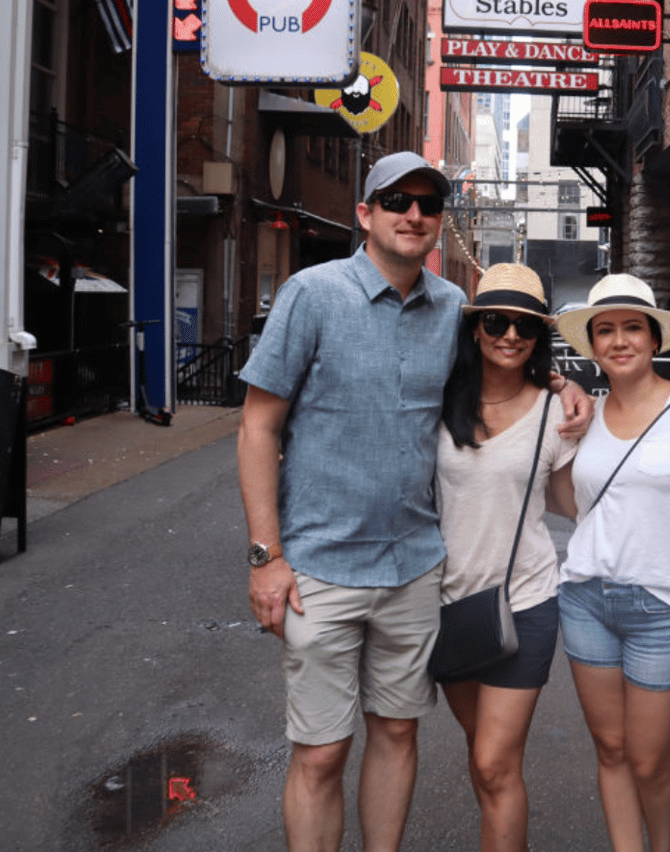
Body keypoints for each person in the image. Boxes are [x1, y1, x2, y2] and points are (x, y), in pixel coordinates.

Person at [236, 152, 591, 852]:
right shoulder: (312, 294)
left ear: (438, 222)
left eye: (428, 203)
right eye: (396, 199)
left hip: (415, 572)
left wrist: (560, 386)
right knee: (321, 751)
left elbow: (505, 360)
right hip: (319, 569)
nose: (413, 213)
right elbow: (257, 426)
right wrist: (264, 556)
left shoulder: (457, 313)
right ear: (364, 213)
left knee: (397, 731)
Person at [549, 275, 670, 852]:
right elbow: (573, 505)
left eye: (632, 328)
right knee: (610, 749)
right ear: (590, 345)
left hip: (663, 606)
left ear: (654, 338)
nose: (619, 341)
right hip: (586, 597)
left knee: (650, 760)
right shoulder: (585, 414)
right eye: (605, 330)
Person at [435, 263, 578, 852]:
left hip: (525, 604)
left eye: (524, 325)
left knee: (495, 761)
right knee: (483, 755)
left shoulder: (556, 413)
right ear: (475, 329)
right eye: (496, 321)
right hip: (446, 606)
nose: (510, 335)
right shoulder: (438, 402)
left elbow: (577, 503)